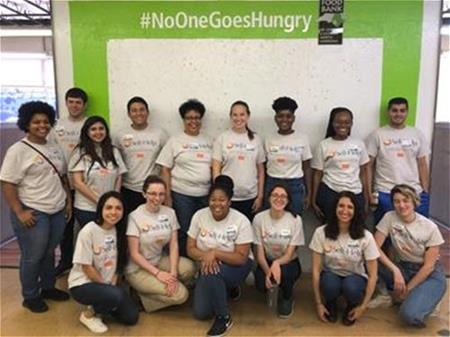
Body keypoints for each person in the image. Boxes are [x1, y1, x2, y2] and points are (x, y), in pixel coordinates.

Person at [0, 101, 71, 313]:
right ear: (26, 124)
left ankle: (48, 287)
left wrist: (67, 201)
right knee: (33, 255)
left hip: (57, 210)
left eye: (46, 121)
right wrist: (19, 211)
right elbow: (7, 182)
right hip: (34, 211)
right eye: (36, 122)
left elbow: (62, 176)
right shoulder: (18, 151)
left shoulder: (53, 146)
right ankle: (30, 295)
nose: (42, 125)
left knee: (49, 252)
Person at [187, 175, 253, 337]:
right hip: (208, 264)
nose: (217, 204)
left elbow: (241, 258)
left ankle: (224, 317)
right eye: (213, 199)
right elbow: (190, 249)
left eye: (222, 200)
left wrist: (214, 253)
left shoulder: (241, 221)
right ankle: (223, 288)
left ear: (229, 201)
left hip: (235, 265)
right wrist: (207, 256)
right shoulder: (199, 216)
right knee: (201, 313)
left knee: (212, 271)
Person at [374, 184, 446, 328]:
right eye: (397, 201)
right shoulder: (389, 217)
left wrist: (408, 289)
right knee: (367, 259)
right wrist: (395, 270)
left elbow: (428, 266)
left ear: (414, 201)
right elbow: (374, 247)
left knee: (409, 315)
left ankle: (420, 300)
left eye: (405, 200)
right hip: (403, 267)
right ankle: (397, 294)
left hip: (428, 274)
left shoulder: (429, 227)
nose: (401, 205)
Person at [68, 191, 139, 333]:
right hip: (83, 284)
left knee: (131, 317)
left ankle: (104, 304)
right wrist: (108, 289)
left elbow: (119, 265)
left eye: (118, 208)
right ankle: (89, 315)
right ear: (101, 209)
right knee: (116, 295)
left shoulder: (119, 232)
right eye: (109, 207)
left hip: (108, 284)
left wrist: (111, 286)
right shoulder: (89, 231)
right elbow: (86, 267)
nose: (113, 212)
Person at [125, 175, 196, 313]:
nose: (157, 198)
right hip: (137, 269)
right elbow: (134, 254)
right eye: (152, 193)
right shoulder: (134, 216)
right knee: (181, 295)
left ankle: (155, 290)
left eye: (161, 194)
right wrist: (158, 274)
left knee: (189, 268)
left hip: (158, 260)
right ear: (144, 194)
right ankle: (141, 299)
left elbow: (173, 245)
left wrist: (173, 273)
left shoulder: (170, 213)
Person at [310, 191, 379, 325]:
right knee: (330, 285)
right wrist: (318, 303)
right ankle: (330, 303)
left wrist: (363, 307)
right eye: (341, 206)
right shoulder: (321, 232)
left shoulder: (366, 236)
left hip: (355, 277)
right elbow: (315, 270)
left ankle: (352, 305)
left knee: (351, 287)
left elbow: (373, 275)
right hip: (331, 275)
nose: (344, 210)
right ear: (335, 208)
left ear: (355, 211)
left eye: (350, 207)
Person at [156, 99, 212, 257]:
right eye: (189, 118)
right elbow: (165, 169)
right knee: (184, 232)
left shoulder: (210, 141)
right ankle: (184, 268)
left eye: (197, 118)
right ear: (183, 120)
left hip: (205, 195)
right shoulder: (175, 141)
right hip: (182, 195)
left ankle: (201, 267)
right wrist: (167, 196)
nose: (193, 121)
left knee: (203, 233)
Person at [366, 97, 430, 224]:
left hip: (413, 192)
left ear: (407, 112)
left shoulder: (417, 134)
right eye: (394, 110)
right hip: (385, 192)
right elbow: (368, 166)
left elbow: (422, 164)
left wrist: (425, 191)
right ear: (388, 112)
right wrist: (369, 193)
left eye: (402, 110)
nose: (398, 114)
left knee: (417, 233)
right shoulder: (377, 134)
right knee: (385, 234)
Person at [48, 87, 89, 277]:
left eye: (78, 102)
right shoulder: (56, 126)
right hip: (62, 184)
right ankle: (65, 261)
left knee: (86, 227)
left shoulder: (90, 124)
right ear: (66, 103)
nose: (74, 105)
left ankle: (86, 263)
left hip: (86, 184)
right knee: (65, 226)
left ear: (84, 105)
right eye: (71, 101)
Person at [311, 107, 370, 224]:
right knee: (330, 229)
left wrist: (366, 197)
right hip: (330, 192)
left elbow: (364, 172)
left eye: (347, 122)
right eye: (338, 122)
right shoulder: (323, 145)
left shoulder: (359, 144)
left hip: (355, 192)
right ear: (332, 123)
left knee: (355, 230)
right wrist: (313, 199)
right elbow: (317, 174)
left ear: (351, 123)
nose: (342, 125)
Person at [253, 183, 304, 318]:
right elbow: (259, 254)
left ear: (288, 200)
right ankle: (273, 287)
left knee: (285, 274)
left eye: (283, 196)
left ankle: (287, 297)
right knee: (260, 283)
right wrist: (267, 271)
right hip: (267, 262)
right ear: (269, 198)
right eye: (275, 195)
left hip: (288, 263)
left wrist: (277, 264)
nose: (279, 199)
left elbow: (290, 254)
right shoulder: (259, 218)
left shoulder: (295, 220)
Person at [69, 116, 127, 227]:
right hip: (87, 208)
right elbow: (78, 183)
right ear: (87, 132)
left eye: (101, 128)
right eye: (93, 129)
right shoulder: (79, 152)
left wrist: (113, 200)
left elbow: (119, 176)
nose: (98, 132)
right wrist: (100, 201)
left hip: (110, 209)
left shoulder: (113, 151)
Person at [212, 100, 265, 221]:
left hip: (250, 197)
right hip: (228, 198)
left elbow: (261, 170)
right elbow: (216, 169)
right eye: (235, 115)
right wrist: (220, 196)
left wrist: (260, 196)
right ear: (230, 116)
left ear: (248, 116)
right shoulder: (222, 138)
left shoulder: (256, 139)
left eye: (242, 114)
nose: (238, 118)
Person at [114, 96, 168, 214]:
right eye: (134, 110)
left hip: (153, 190)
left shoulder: (160, 134)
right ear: (129, 114)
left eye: (142, 110)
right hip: (128, 189)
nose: (138, 113)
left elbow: (167, 164)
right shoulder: (119, 135)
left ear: (147, 112)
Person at [264, 97, 312, 215]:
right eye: (280, 116)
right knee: (270, 219)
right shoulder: (268, 138)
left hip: (295, 186)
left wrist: (309, 193)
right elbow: (264, 165)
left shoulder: (302, 138)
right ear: (275, 118)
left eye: (288, 116)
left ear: (293, 118)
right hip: (272, 183)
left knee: (294, 219)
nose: (284, 120)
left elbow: (307, 167)